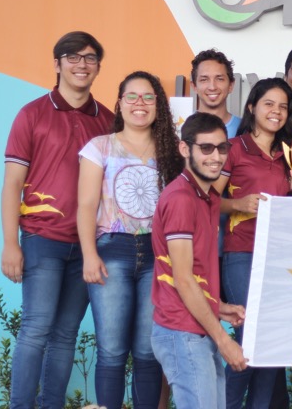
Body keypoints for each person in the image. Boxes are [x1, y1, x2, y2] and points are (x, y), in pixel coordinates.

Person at [1, 31, 114, 408]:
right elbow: (12, 184)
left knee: (65, 335)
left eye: (90, 58)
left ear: (98, 67)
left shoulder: (109, 122)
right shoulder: (32, 114)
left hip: (89, 246)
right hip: (42, 239)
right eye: (73, 57)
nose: (82, 64)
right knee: (35, 330)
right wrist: (10, 243)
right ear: (57, 64)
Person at [76, 71, 184, 409]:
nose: (140, 103)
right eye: (132, 96)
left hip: (158, 256)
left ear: (158, 105)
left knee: (148, 352)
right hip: (112, 253)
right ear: (120, 103)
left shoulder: (173, 151)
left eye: (149, 97)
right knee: (111, 351)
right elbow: (86, 205)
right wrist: (89, 255)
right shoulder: (99, 147)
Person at [214, 79, 292, 409]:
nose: (276, 111)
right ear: (252, 107)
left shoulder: (291, 154)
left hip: (279, 257)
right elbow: (207, 199)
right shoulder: (233, 148)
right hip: (241, 252)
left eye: (283, 106)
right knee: (250, 336)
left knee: (271, 341)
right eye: (269, 104)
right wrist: (237, 204)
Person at [150, 112, 248, 409]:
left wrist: (220, 307)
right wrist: (224, 340)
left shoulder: (207, 197)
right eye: (206, 148)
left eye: (222, 148)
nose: (216, 157)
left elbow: (196, 273)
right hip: (182, 331)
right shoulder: (181, 199)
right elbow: (182, 278)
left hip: (198, 327)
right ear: (185, 149)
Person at [192, 49, 241, 137]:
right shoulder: (182, 128)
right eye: (204, 80)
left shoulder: (245, 129)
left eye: (219, 79)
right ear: (194, 86)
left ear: (231, 85)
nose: (212, 87)